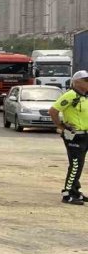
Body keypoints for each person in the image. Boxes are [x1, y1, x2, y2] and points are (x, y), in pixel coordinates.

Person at [49, 69, 88, 206]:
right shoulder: (70, 95)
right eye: (86, 81)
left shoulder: (85, 96)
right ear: (77, 82)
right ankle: (68, 194)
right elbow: (53, 110)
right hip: (74, 136)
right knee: (75, 165)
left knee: (80, 165)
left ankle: (76, 191)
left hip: (85, 135)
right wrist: (61, 126)